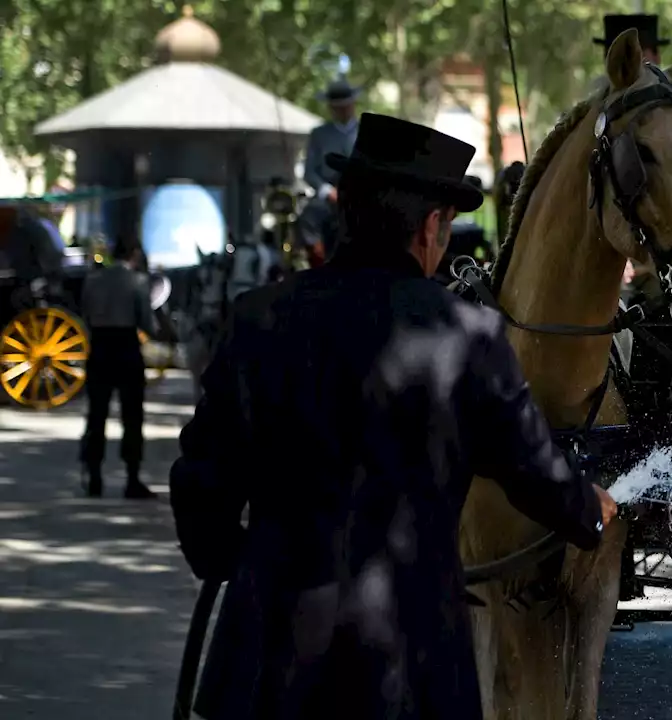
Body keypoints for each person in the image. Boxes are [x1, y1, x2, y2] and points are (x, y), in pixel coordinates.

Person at [169, 113, 617, 720]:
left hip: (268, 658)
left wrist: (242, 567)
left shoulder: (259, 317)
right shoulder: (468, 335)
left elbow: (200, 482)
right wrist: (589, 510)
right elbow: (529, 469)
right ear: (431, 226)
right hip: (409, 663)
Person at [79, 239, 158, 499]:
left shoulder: (93, 280)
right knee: (132, 416)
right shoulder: (137, 282)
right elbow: (147, 323)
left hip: (100, 346)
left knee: (96, 414)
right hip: (126, 347)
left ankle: (94, 476)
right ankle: (132, 478)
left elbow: (86, 316)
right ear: (134, 254)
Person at [300, 76, 361, 262]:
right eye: (337, 106)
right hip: (329, 197)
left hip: (361, 194)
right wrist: (328, 191)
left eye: (346, 105)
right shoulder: (319, 134)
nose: (342, 110)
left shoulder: (366, 131)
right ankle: (319, 263)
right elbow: (309, 171)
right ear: (330, 108)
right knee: (307, 219)